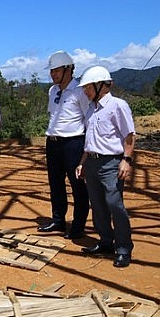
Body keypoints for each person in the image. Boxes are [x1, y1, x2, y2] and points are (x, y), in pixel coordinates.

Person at [75, 66, 136, 268]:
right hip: (91, 161)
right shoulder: (91, 108)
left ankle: (124, 248)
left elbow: (129, 135)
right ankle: (105, 242)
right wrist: (83, 163)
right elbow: (89, 139)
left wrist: (126, 160)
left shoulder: (118, 106)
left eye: (88, 87)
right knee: (98, 205)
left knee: (114, 204)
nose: (85, 91)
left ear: (101, 86)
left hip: (111, 162)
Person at [38, 51, 91, 239]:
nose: (53, 74)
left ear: (68, 69)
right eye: (51, 71)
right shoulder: (52, 91)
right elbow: (53, 115)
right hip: (53, 142)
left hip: (73, 142)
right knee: (55, 183)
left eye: (56, 70)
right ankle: (58, 220)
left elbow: (89, 118)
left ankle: (78, 225)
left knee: (78, 185)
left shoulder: (80, 90)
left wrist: (87, 147)